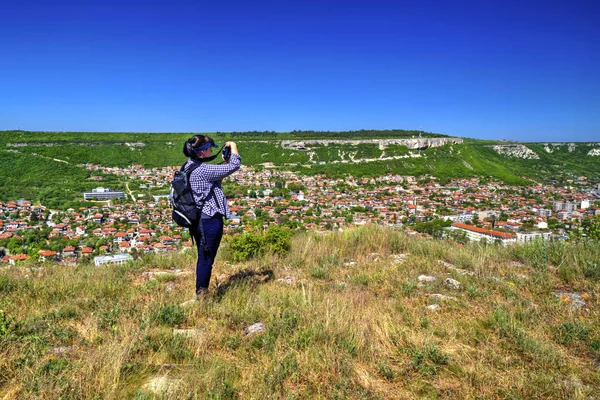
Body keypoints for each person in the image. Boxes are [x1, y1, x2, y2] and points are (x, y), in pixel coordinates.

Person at [182, 135, 241, 299]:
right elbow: (236, 165)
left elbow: (215, 179)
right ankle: (201, 296)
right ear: (202, 152)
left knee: (203, 258)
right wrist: (233, 144)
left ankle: (201, 291)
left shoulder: (188, 166)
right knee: (206, 259)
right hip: (209, 220)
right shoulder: (203, 170)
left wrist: (225, 163)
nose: (211, 151)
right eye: (209, 148)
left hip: (196, 220)